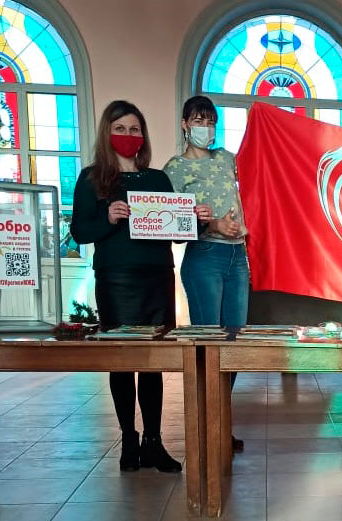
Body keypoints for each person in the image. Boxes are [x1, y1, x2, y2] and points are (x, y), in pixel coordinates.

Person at [71, 100, 206, 472]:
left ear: (142, 136)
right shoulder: (91, 178)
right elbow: (79, 231)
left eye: (135, 129)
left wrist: (196, 220)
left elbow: (177, 233)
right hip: (116, 280)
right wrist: (108, 218)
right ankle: (128, 440)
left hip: (157, 278)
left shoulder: (157, 180)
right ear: (107, 133)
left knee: (153, 362)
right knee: (122, 360)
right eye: (120, 128)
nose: (128, 135)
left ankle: (154, 442)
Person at [164, 95, 248, 452]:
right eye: (199, 121)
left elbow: (259, 179)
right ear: (185, 124)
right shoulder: (174, 169)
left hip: (238, 257)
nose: (206, 128)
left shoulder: (227, 158)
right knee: (208, 344)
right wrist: (212, 224)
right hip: (205, 257)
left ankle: (220, 420)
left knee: (233, 344)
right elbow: (171, 223)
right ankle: (205, 426)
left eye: (211, 122)